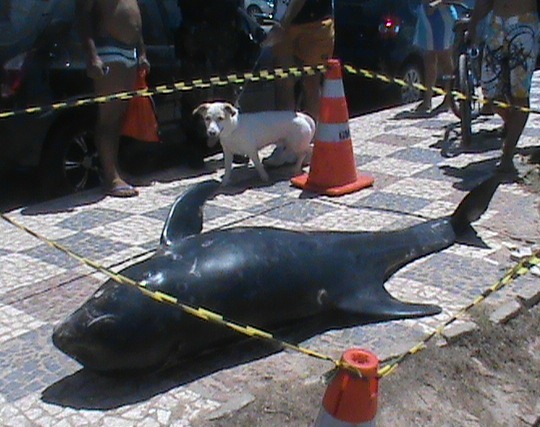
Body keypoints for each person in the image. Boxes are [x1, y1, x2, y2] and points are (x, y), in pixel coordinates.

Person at [77, 0, 150, 197]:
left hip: (130, 51)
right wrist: (92, 56)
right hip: (108, 48)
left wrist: (142, 52)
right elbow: (83, 16)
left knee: (119, 116)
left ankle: (115, 171)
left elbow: (135, 21)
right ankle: (110, 177)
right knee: (108, 117)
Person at [261, 0, 334, 167]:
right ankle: (286, 146)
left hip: (316, 22)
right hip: (283, 22)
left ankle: (310, 144)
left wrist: (283, 24)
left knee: (311, 84)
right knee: (283, 83)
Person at [469, 0, 539, 174]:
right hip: (497, 24)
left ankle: (507, 154)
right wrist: (473, 24)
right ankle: (513, 125)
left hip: (525, 22)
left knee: (519, 94)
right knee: (489, 91)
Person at [413, 0, 458, 114]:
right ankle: (427, 99)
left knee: (445, 59)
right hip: (426, 17)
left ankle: (449, 98)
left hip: (442, 17)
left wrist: (438, 3)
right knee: (429, 60)